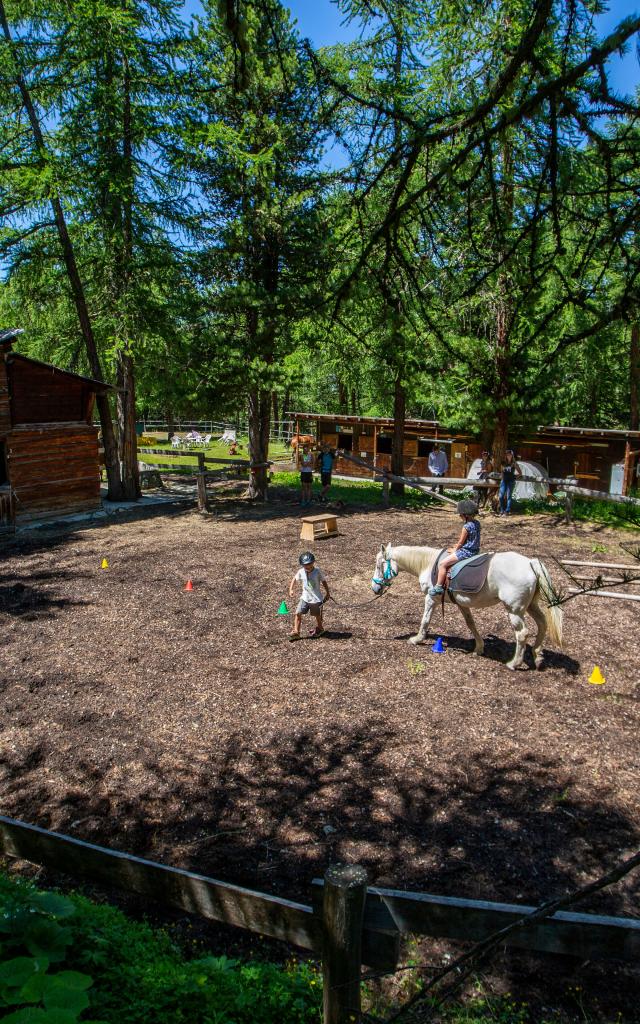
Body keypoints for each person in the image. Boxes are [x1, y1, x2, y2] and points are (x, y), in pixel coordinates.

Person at [429, 499, 481, 596]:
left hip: (466, 552)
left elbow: (461, 542)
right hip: (475, 550)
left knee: (443, 564)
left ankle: (438, 586)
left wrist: (455, 550)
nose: (459, 516)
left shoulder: (466, 527)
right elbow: (472, 538)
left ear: (465, 515)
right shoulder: (477, 523)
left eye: (460, 514)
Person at [288, 551, 330, 640]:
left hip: (316, 599)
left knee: (317, 615)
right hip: (304, 598)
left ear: (313, 562)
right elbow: (294, 579)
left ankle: (320, 629)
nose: (308, 567)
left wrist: (327, 593)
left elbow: (324, 581)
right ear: (302, 565)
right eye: (305, 565)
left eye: (310, 565)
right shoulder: (301, 571)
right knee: (298, 613)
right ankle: (296, 631)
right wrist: (291, 589)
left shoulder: (317, 571)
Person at [499, 449, 522, 516]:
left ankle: (507, 511)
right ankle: (501, 510)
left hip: (511, 481)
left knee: (509, 496)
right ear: (505, 455)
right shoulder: (503, 463)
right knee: (501, 496)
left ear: (512, 455)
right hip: (504, 481)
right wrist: (502, 479)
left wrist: (514, 477)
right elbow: (502, 472)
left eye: (509, 454)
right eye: (507, 454)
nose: (508, 456)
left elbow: (520, 473)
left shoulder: (514, 463)